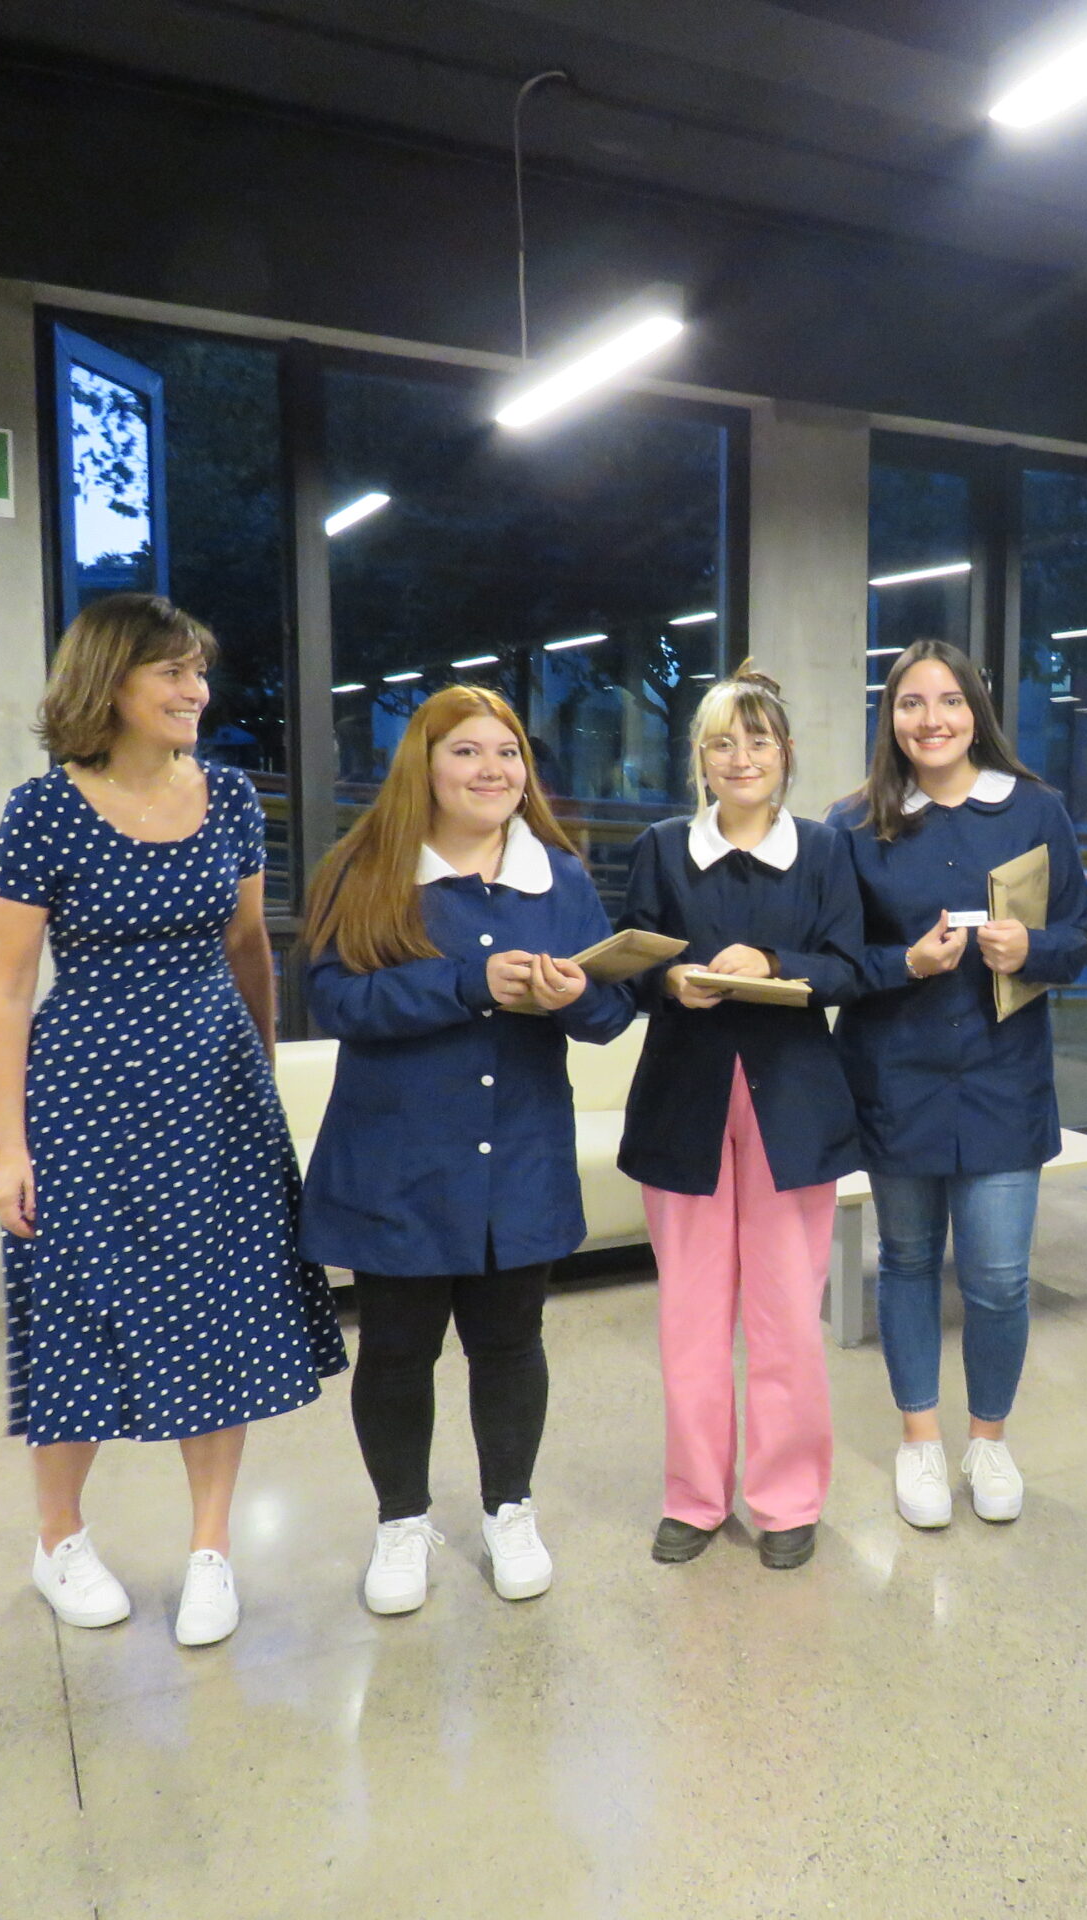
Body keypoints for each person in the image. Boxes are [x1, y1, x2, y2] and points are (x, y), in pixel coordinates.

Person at [0, 593, 345, 1649]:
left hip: (214, 1092)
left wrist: (261, 1072)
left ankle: (211, 1549)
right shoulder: (43, 810)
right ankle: (58, 1538)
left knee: (221, 1310)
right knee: (77, 1309)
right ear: (110, 683)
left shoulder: (228, 795)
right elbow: (6, 988)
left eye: (198, 671)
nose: (196, 691)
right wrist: (8, 1146)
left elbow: (247, 947)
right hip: (85, 1096)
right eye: (172, 673)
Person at [299, 684, 635, 1615]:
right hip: (398, 1159)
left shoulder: (558, 876)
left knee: (511, 1342)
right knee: (397, 1349)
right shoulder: (364, 868)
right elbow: (336, 1001)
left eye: (508, 752)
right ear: (425, 764)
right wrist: (467, 984)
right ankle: (400, 1522)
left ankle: (509, 1509)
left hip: (518, 1154)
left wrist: (579, 997)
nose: (493, 770)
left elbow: (610, 1014)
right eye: (468, 752)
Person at [825, 641, 1087, 1530]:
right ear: (890, 717)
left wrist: (1033, 948)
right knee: (905, 1262)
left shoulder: (1036, 811)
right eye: (911, 703)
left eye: (949, 701)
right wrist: (904, 962)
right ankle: (919, 1441)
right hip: (895, 1076)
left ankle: (989, 1439)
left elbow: (1083, 937)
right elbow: (833, 961)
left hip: (1003, 1080)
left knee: (1001, 1278)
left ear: (977, 712)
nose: (931, 719)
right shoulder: (855, 822)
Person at [616, 666, 864, 1572]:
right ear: (700, 758)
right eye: (722, 743)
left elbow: (849, 966)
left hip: (791, 1103)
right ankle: (693, 1496)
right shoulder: (661, 847)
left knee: (786, 1314)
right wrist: (669, 981)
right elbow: (631, 963)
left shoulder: (825, 851)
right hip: (682, 1100)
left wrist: (773, 961)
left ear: (786, 754)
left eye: (758, 741)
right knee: (689, 1316)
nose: (741, 757)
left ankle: (788, 1498)